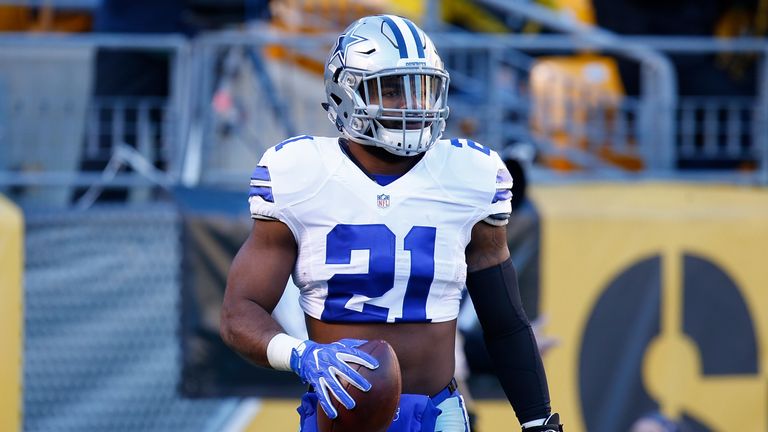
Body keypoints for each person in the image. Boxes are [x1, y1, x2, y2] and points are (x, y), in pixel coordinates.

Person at [220, 14, 563, 432]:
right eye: (393, 89)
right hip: (341, 414)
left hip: (438, 414)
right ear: (346, 92)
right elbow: (240, 312)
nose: (412, 105)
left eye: (421, 89)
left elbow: (505, 322)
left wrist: (538, 420)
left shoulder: (468, 174)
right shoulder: (299, 173)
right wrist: (301, 355)